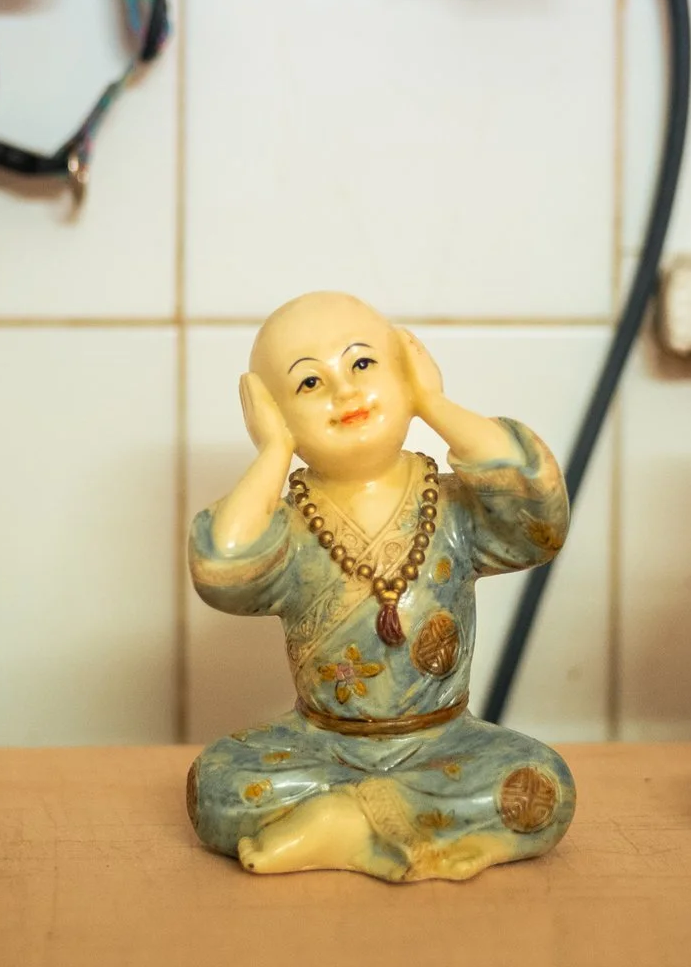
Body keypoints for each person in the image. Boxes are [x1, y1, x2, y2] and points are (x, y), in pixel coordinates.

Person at [187, 291, 575, 881]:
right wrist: (272, 453)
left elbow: (537, 517)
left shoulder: (454, 506)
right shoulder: (290, 527)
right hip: (322, 748)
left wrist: (435, 404)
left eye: (363, 364)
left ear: (404, 367)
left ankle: (347, 825)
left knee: (540, 783)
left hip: (444, 744)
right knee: (217, 787)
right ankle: (388, 824)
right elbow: (222, 565)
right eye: (309, 384)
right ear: (272, 410)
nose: (345, 393)